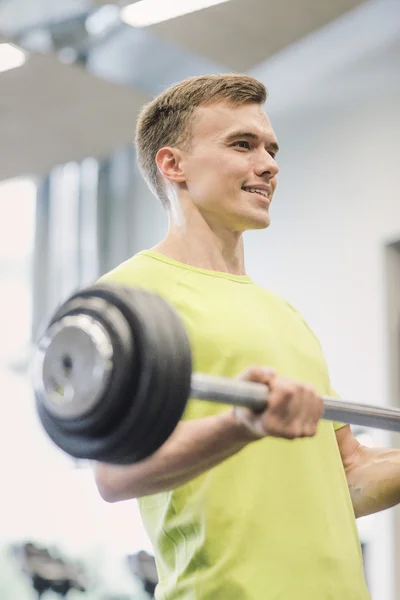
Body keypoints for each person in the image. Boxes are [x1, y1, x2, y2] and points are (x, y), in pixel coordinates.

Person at [93, 74, 400, 600]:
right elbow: (114, 476)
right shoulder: (128, 297)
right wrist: (240, 425)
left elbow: (348, 474)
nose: (270, 164)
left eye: (271, 149)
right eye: (242, 144)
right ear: (174, 165)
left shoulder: (282, 313)